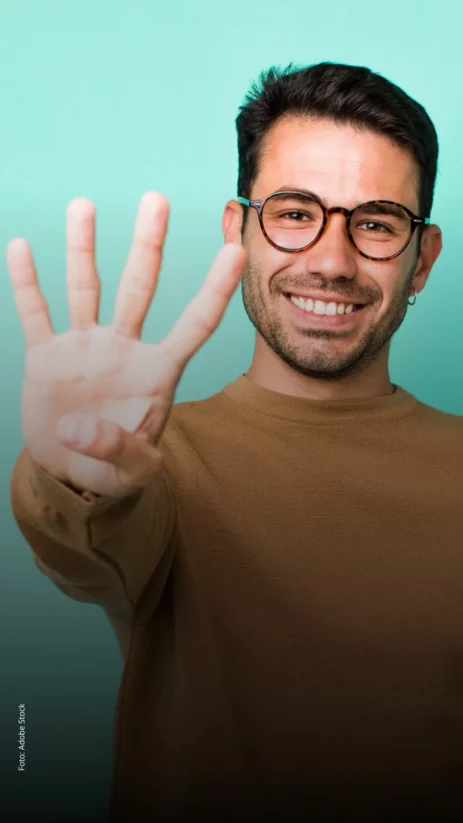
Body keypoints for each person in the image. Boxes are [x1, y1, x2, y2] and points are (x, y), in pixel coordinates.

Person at [9, 59, 463, 821]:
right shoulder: (158, 461)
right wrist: (76, 464)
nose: (330, 260)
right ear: (237, 231)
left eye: (376, 223)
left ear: (421, 259)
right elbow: (82, 537)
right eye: (294, 212)